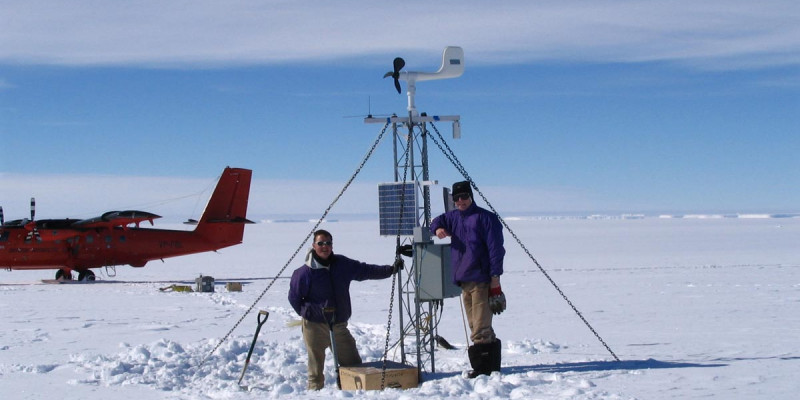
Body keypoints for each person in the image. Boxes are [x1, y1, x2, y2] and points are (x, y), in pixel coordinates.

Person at [288, 229, 403, 390]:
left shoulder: (341, 264)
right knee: (315, 368)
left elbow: (365, 270)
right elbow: (294, 297)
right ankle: (314, 393)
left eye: (328, 243)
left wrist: (390, 270)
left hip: (338, 325)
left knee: (353, 364)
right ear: (314, 246)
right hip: (314, 326)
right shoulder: (304, 273)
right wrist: (309, 313)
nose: (324, 246)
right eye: (320, 243)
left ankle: (354, 392)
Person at [430, 180, 507, 378]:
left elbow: (496, 249)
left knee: (480, 326)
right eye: (457, 198)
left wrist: (495, 278)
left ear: (471, 196)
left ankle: (483, 370)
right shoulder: (453, 217)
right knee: (475, 325)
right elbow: (436, 221)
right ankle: (487, 367)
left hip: (482, 279)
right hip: (464, 280)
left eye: (464, 196)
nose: (461, 201)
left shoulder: (485, 218)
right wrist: (437, 229)